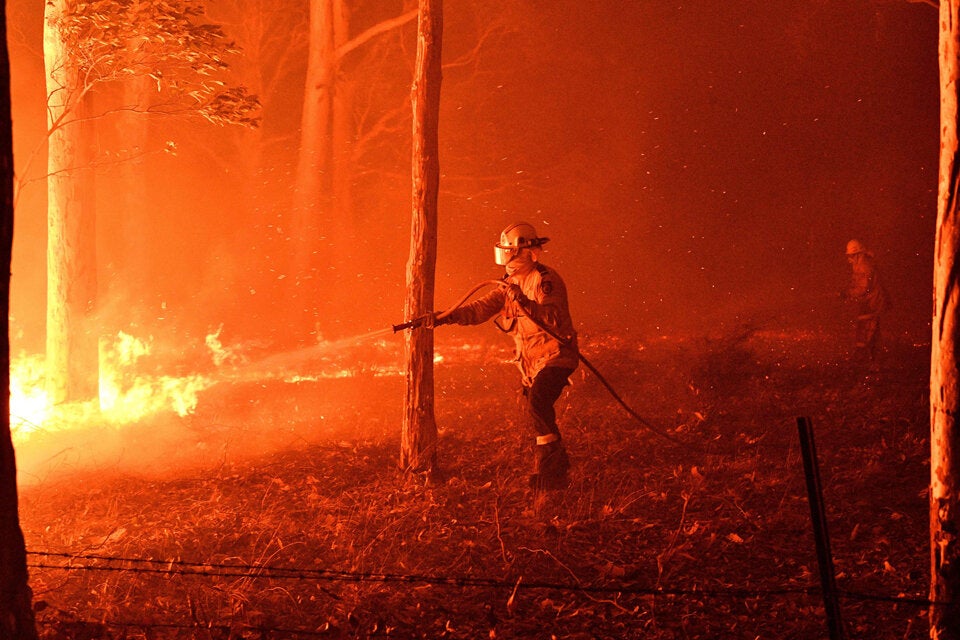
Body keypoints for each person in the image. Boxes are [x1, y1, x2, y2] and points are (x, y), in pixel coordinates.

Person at [434, 222, 579, 490]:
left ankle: (554, 474)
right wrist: (447, 317)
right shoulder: (509, 284)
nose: (505, 258)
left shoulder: (545, 280)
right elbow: (481, 309)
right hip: (531, 363)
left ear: (521, 252)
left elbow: (553, 317)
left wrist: (524, 302)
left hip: (556, 355)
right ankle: (554, 468)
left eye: (508, 251)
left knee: (538, 403)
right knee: (538, 412)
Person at [841, 239, 890, 363]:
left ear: (858, 254)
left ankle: (866, 358)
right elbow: (856, 283)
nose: (849, 259)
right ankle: (873, 359)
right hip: (870, 300)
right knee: (870, 330)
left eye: (851, 256)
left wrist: (847, 294)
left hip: (873, 302)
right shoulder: (860, 265)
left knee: (867, 328)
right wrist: (846, 291)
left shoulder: (864, 267)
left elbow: (863, 288)